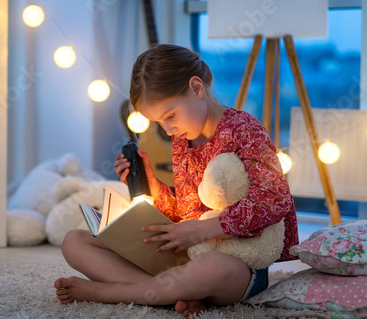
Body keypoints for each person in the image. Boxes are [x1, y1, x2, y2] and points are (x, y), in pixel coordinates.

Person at [54, 44, 299, 317]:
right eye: (158, 122)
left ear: (196, 88)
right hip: (187, 255)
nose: (168, 128)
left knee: (210, 267)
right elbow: (184, 213)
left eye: (170, 116)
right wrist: (153, 185)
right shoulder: (182, 137)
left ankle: (112, 292)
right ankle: (175, 292)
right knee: (74, 241)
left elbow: (275, 200)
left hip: (238, 265)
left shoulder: (245, 130)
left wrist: (203, 230)